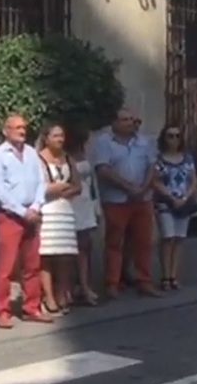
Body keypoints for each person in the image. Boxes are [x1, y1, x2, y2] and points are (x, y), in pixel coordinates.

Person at [0, 114, 53, 329]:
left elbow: (42, 182)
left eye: (23, 127)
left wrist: (35, 207)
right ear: (5, 131)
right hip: (9, 216)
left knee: (32, 265)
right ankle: (1, 310)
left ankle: (32, 307)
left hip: (31, 215)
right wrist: (22, 211)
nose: (22, 131)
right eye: (16, 128)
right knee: (5, 267)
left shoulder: (32, 153)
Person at [92, 109, 159, 298]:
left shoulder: (144, 141)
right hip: (116, 200)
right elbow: (103, 169)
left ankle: (144, 280)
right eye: (125, 120)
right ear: (114, 123)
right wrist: (128, 188)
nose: (130, 123)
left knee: (143, 242)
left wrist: (143, 189)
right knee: (115, 242)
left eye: (132, 119)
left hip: (142, 200)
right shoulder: (104, 142)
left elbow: (152, 166)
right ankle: (112, 282)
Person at [37, 122, 81, 315]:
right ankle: (48, 296)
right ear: (46, 138)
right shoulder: (39, 159)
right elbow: (42, 186)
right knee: (47, 255)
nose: (60, 139)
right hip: (48, 210)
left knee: (65, 255)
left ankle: (62, 292)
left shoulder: (68, 158)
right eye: (55, 136)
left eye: (61, 135)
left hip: (65, 209)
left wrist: (64, 189)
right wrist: (57, 189)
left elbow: (77, 185)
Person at [153, 123, 197, 290]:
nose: (174, 140)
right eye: (170, 136)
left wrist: (186, 196)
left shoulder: (187, 159)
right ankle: (165, 275)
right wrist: (170, 196)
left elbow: (193, 180)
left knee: (179, 239)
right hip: (165, 202)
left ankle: (173, 275)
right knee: (168, 237)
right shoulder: (159, 160)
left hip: (184, 202)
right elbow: (155, 181)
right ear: (164, 139)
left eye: (177, 136)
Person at [68, 126, 101, 306]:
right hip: (72, 203)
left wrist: (97, 208)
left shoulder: (84, 153)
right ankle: (74, 285)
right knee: (72, 248)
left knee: (86, 246)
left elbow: (92, 182)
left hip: (86, 202)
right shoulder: (65, 156)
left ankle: (84, 285)